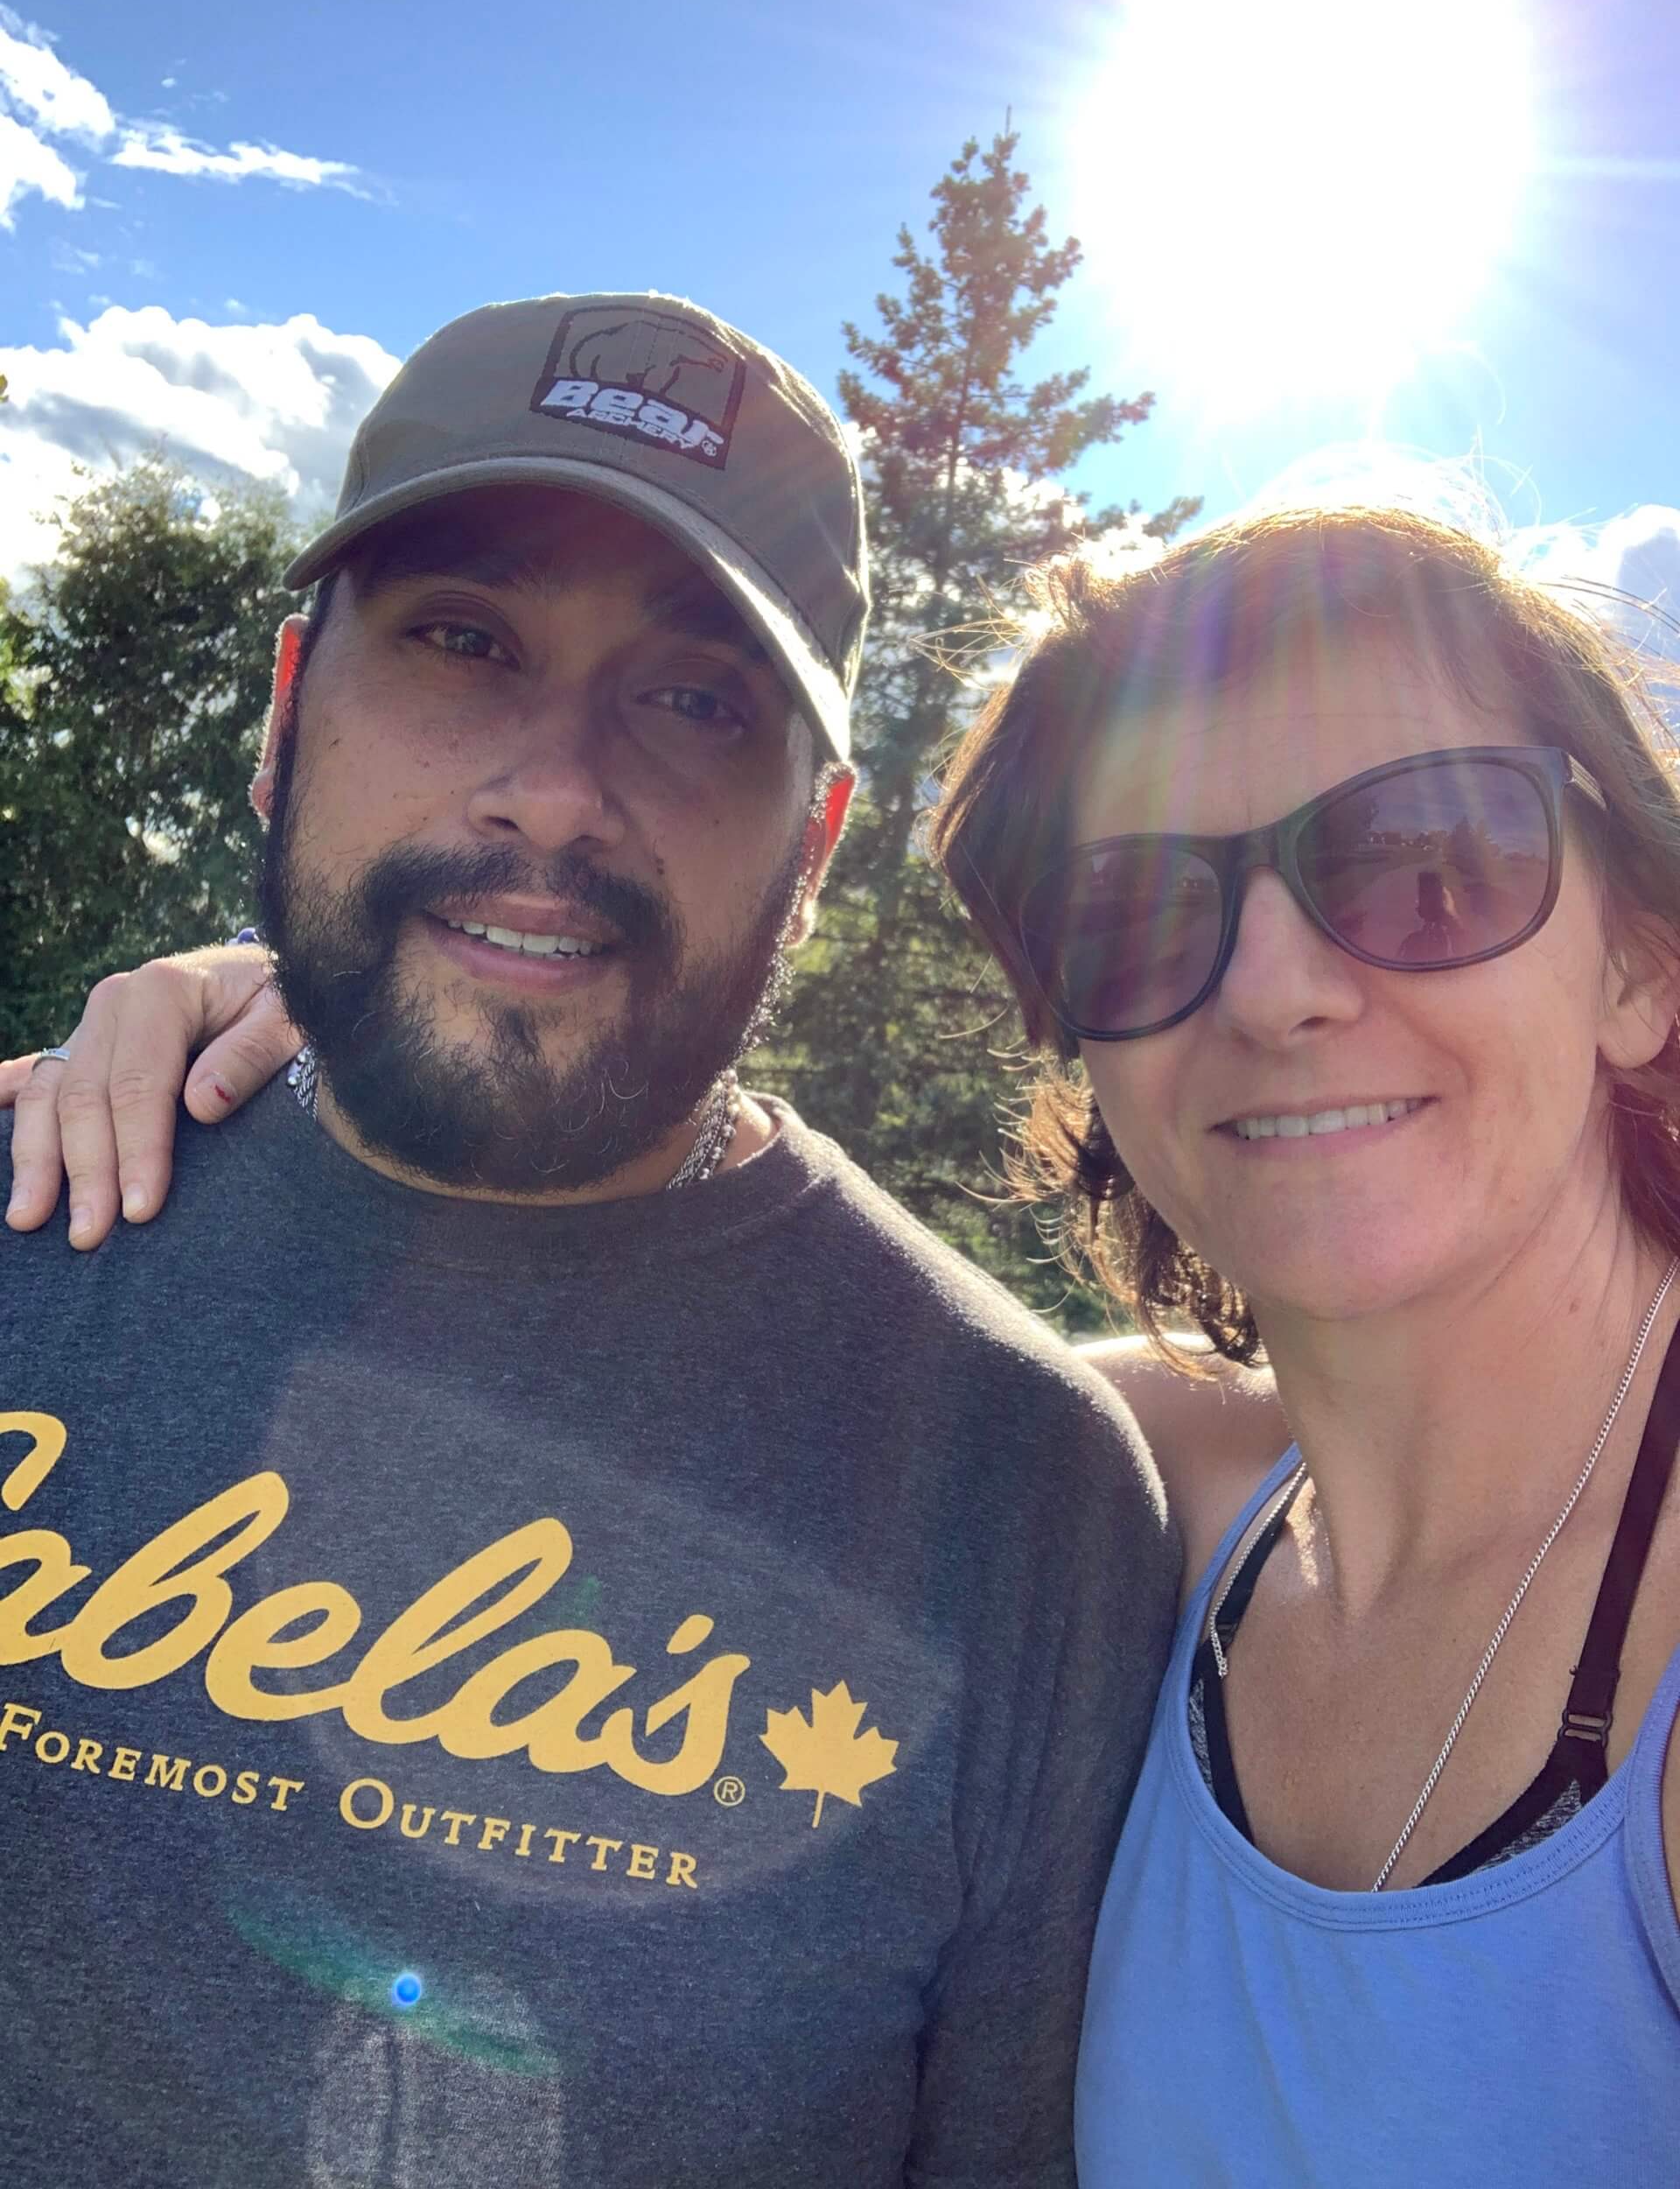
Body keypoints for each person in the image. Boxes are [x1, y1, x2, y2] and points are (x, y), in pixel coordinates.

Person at [0, 290, 1179, 2187]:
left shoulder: (1013, 1489)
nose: (555, 786)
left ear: (815, 842)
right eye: (465, 642)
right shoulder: (31, 1237)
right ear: (292, 711)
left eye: (698, 698)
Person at [931, 506, 1680, 2181]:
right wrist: (299, 1058)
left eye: (1427, 867)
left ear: (1639, 962)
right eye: (1134, 914)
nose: (1271, 989)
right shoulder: (1158, 1487)